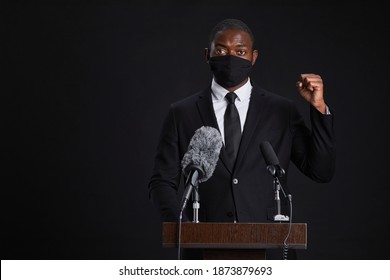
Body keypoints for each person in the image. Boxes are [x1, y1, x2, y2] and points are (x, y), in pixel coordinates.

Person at [148, 18, 335, 259]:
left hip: (271, 247)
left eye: (240, 51)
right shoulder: (181, 113)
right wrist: (185, 228)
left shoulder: (282, 111)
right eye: (221, 50)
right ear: (208, 55)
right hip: (202, 251)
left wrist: (319, 109)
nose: (231, 57)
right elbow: (161, 182)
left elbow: (321, 171)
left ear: (254, 57)